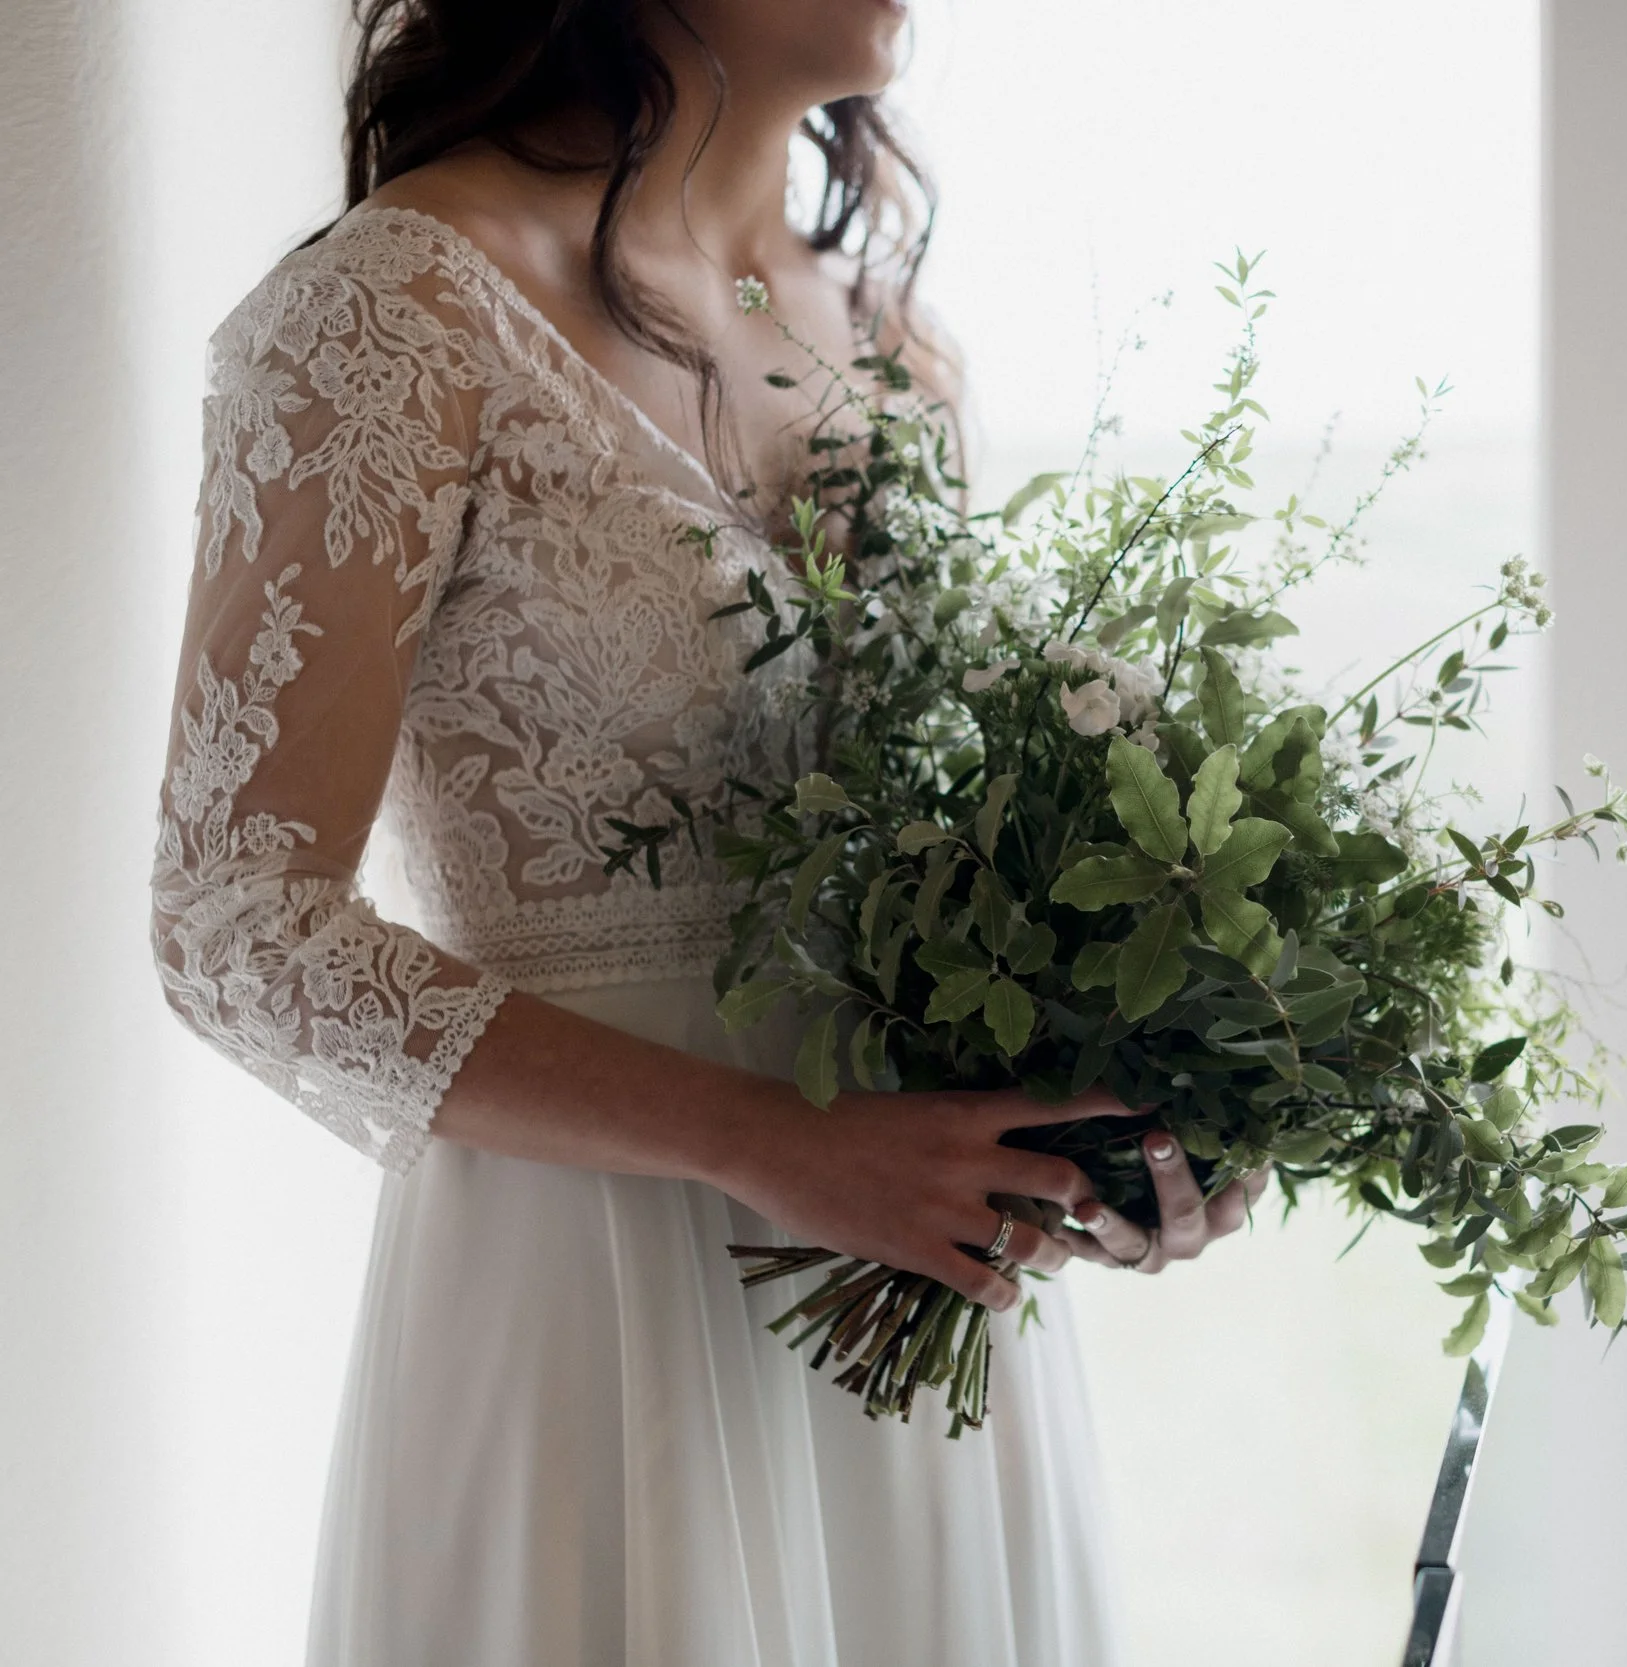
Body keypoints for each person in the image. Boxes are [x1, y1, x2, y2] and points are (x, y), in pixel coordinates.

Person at [146, 2, 1262, 1660]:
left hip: (915, 1312)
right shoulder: (401, 307)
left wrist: (1129, 1117)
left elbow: (948, 875)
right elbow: (237, 922)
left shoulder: (889, 337)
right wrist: (773, 1142)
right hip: (585, 1299)